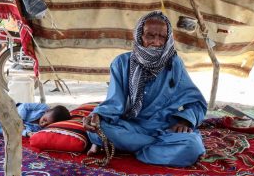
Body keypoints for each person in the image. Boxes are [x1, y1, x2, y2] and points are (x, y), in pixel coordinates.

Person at [83, 11, 207, 167]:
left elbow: (196, 102)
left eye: (162, 37)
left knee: (192, 146)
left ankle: (136, 148)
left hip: (164, 128)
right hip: (130, 126)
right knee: (96, 131)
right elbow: (114, 102)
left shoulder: (174, 63)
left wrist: (184, 121)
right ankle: (159, 149)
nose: (157, 42)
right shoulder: (121, 63)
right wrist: (97, 115)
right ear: (139, 36)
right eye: (150, 36)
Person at [0, 103, 71, 140]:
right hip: (9, 112)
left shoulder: (39, 128)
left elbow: (22, 129)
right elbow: (24, 106)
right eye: (45, 120)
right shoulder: (42, 107)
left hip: (13, 125)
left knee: (4, 130)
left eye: (48, 124)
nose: (44, 124)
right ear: (47, 111)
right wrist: (19, 120)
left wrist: (27, 133)